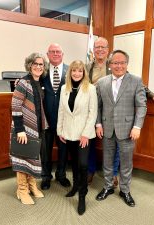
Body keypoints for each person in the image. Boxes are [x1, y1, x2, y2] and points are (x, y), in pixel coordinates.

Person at [87, 37, 154, 186]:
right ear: (93, 49)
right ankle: (91, 171)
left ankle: (115, 176)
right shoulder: (88, 67)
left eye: (103, 47)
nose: (100, 50)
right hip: (96, 111)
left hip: (119, 117)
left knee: (118, 149)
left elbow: (135, 84)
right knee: (93, 144)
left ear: (107, 49)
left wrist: (151, 94)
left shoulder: (118, 64)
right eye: (97, 47)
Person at [95, 49, 147, 207]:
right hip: (107, 128)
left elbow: (141, 106)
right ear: (110, 65)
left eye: (122, 62)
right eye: (115, 63)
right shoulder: (102, 82)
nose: (119, 66)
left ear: (127, 64)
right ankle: (108, 186)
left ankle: (125, 190)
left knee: (126, 162)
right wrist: (98, 124)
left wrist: (137, 126)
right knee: (107, 160)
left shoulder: (136, 81)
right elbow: (97, 106)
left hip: (128, 129)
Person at [57, 60, 97, 215]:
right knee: (73, 163)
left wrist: (86, 133)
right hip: (68, 133)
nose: (76, 73)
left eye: (80, 71)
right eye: (74, 70)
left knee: (83, 164)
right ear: (70, 72)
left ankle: (82, 195)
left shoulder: (90, 89)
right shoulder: (64, 88)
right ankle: (75, 186)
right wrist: (60, 130)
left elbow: (92, 113)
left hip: (84, 135)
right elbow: (61, 110)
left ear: (84, 73)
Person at [10, 52, 48, 205]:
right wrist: (19, 129)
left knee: (33, 157)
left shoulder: (38, 81)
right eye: (35, 64)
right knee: (22, 157)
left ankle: (32, 186)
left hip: (36, 126)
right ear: (30, 65)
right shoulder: (23, 83)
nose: (38, 67)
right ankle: (22, 190)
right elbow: (15, 105)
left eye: (41, 64)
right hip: (23, 128)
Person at [41, 43, 71, 190]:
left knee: (63, 150)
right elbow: (31, 78)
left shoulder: (70, 71)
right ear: (47, 55)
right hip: (45, 119)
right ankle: (46, 177)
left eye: (58, 51)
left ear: (62, 54)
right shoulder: (42, 70)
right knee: (45, 151)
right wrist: (21, 80)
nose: (55, 54)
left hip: (64, 120)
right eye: (52, 52)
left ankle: (61, 175)